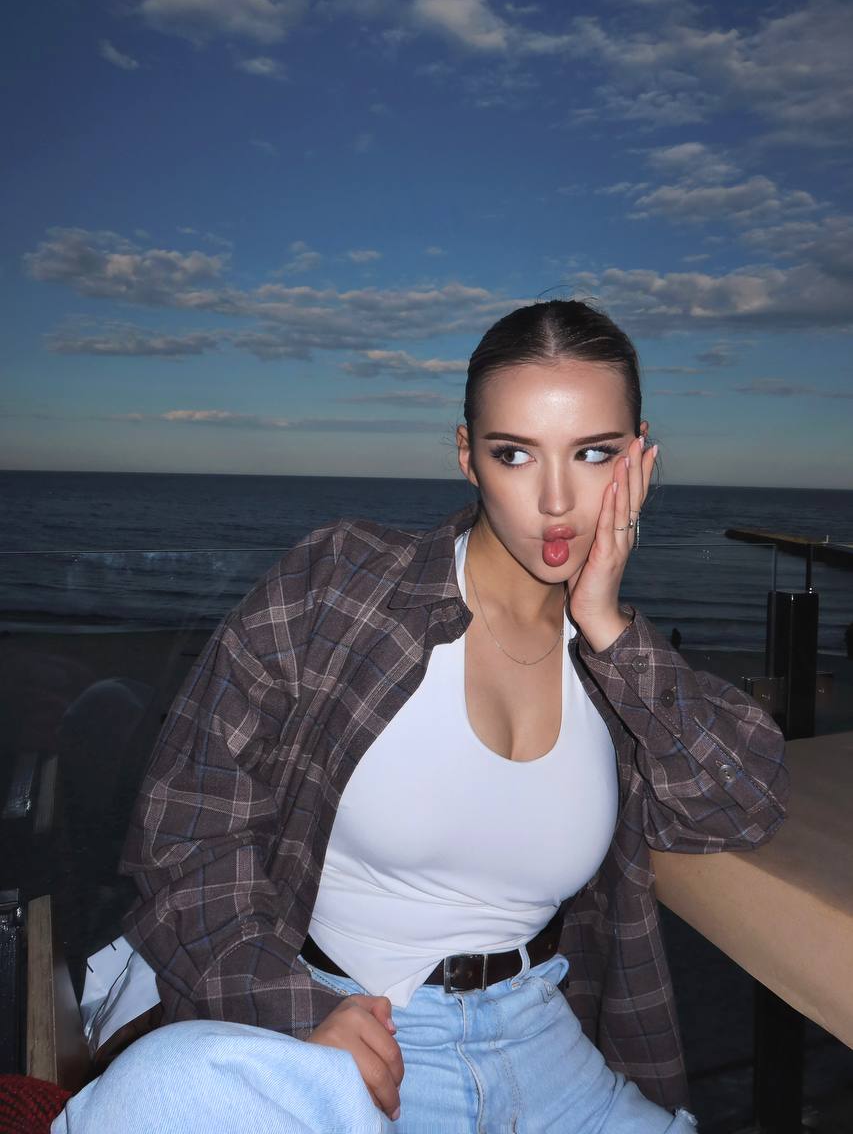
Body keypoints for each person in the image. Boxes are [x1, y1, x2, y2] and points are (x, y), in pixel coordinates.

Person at [55, 299, 788, 1133]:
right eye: (514, 453)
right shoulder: (340, 586)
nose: (555, 500)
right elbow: (184, 831)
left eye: (593, 453)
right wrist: (289, 1007)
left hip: (547, 1044)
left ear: (640, 459)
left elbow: (740, 802)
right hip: (354, 1033)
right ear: (467, 456)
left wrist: (608, 625)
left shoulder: (619, 663)